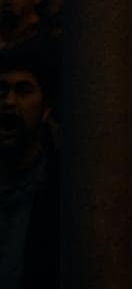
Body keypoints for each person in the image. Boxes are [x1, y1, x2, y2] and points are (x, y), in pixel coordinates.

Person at [0, 44, 59, 289]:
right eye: (1, 90)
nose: (9, 102)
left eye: (23, 91)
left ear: (46, 109)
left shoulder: (61, 190)